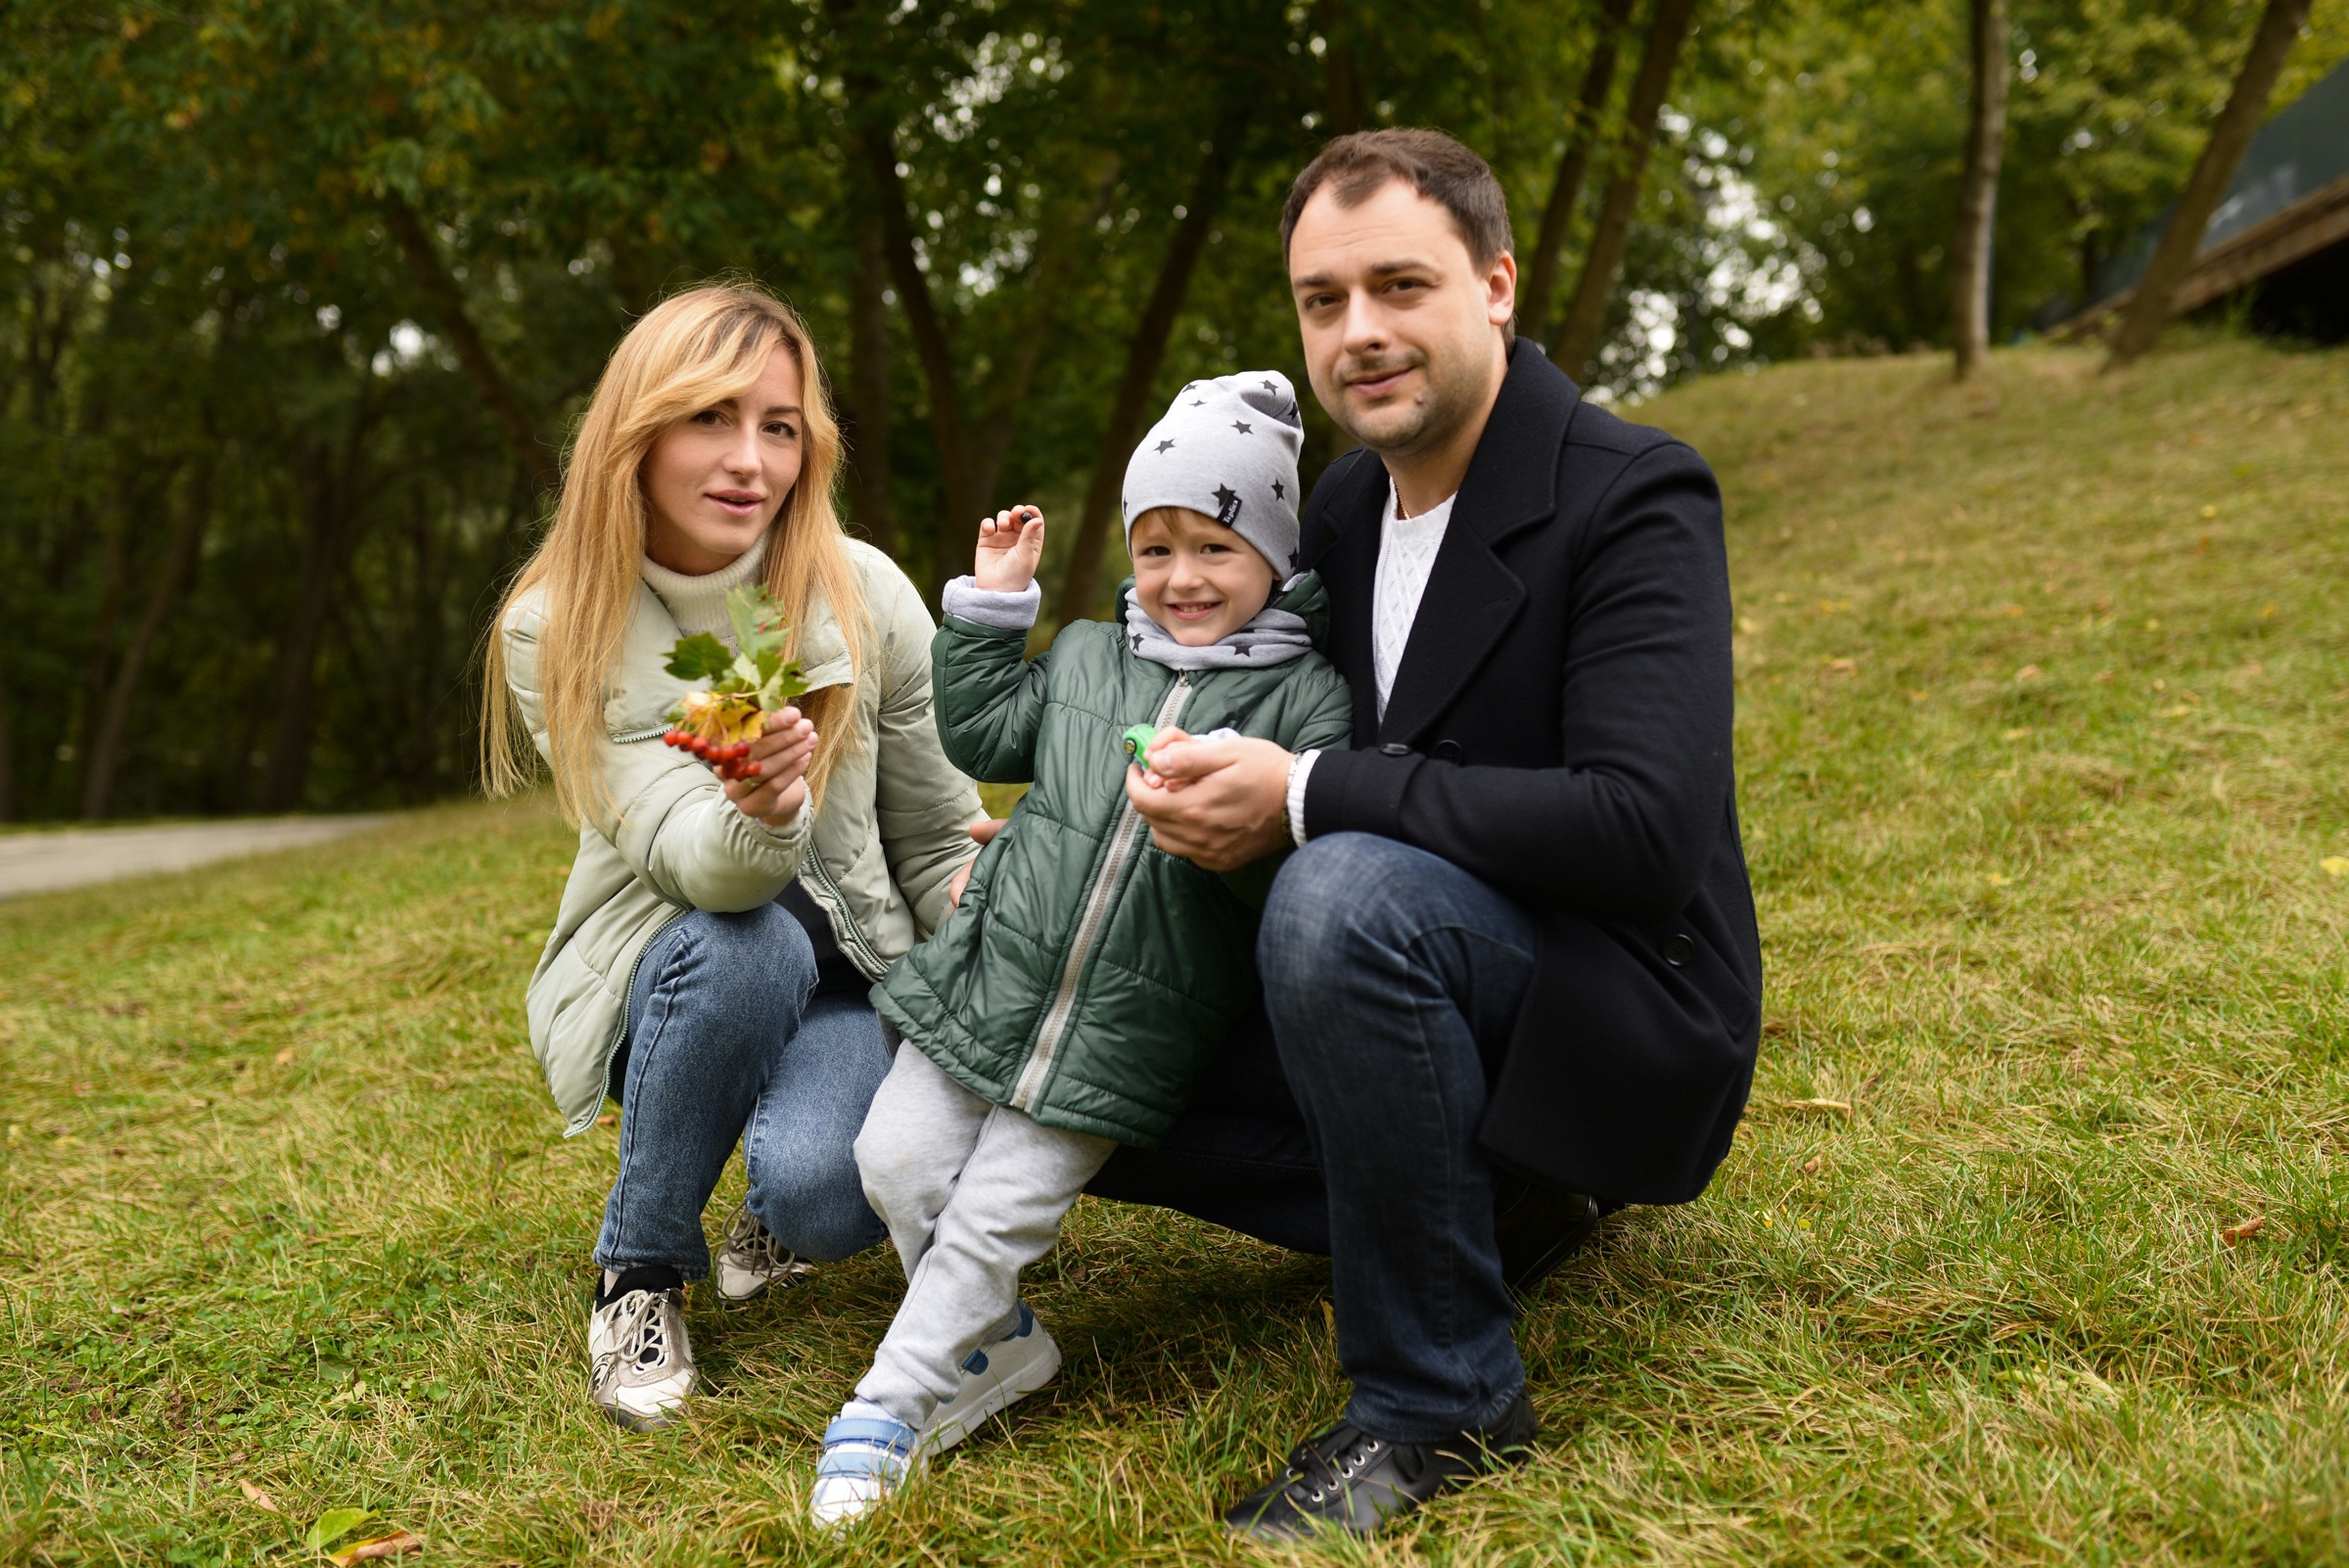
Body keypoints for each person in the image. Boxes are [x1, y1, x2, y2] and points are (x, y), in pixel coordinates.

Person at [1099, 129, 1764, 1539]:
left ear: (1498, 284)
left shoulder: (1632, 490)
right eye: (1323, 300)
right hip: (1408, 988)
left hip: (1617, 1004)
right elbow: (1225, 688)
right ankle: (1500, 1223)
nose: (1361, 333)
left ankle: (1440, 1399)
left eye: (1401, 284)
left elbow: (1643, 833)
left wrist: (1303, 791)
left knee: (1341, 894)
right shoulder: (1336, 508)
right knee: (1068, 1017)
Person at [807, 373, 1355, 1524]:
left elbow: (1295, 872)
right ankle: (997, 1346)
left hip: (1125, 1022)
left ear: (1273, 554)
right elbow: (989, 735)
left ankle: (886, 1409)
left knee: (998, 1214)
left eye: (1215, 546)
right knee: (892, 1162)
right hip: (989, 977)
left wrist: (1229, 838)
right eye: (1155, 548)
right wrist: (993, 612)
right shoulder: (1091, 656)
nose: (1182, 578)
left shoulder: (1306, 701)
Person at [482, 284, 987, 1431]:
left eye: (780, 425)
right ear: (638, 434)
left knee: (823, 1195)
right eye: (710, 418)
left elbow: (930, 828)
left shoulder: (865, 594)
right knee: (747, 945)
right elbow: (703, 871)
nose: (749, 459)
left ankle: (775, 1197)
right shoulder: (558, 625)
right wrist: (764, 805)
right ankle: (639, 1272)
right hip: (677, 972)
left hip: (850, 979)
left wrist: (1001, 907)